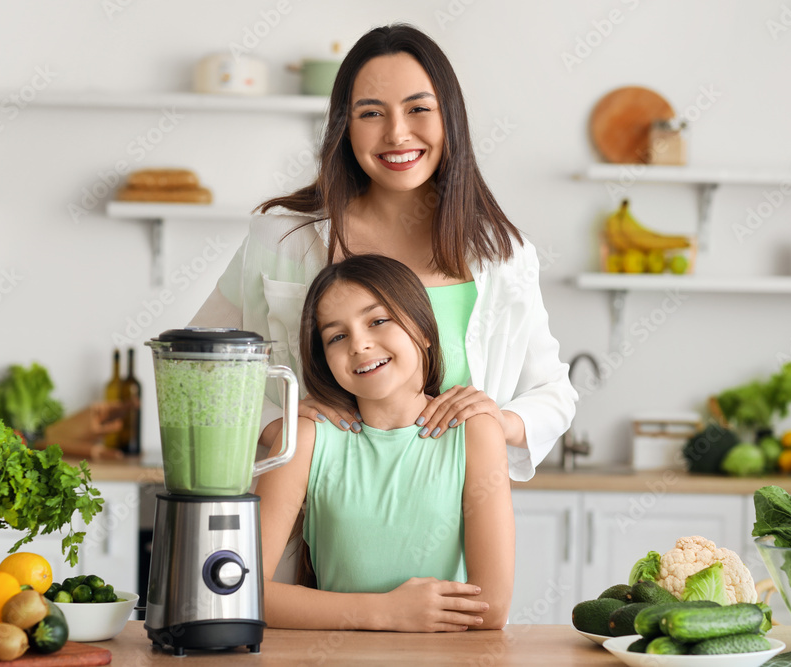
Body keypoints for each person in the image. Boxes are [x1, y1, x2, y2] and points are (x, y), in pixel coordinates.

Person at [191, 23, 576, 481]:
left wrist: (498, 420)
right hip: (307, 533)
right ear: (344, 128)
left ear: (449, 117)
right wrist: (278, 425)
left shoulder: (502, 256)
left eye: (418, 108)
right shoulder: (282, 241)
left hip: (452, 533)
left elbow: (554, 392)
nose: (397, 133)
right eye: (371, 113)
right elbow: (198, 363)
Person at [255, 254, 514, 631]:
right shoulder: (305, 439)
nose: (359, 344)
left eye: (378, 321)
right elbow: (241, 592)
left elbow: (489, 608)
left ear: (425, 330)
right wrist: (385, 613)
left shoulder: (475, 433)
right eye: (337, 336)